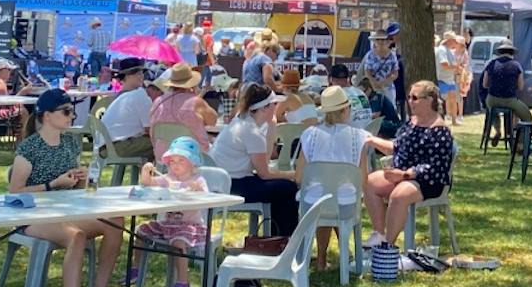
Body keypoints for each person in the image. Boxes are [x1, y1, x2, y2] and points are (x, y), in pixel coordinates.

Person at [7, 87, 119, 287]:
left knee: (115, 221)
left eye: (72, 112)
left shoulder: (69, 142)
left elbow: (74, 187)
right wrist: (52, 184)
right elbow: (15, 192)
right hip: (32, 217)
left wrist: (80, 178)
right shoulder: (29, 148)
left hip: (65, 212)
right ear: (47, 115)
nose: (72, 116)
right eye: (66, 111)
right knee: (75, 236)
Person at [364, 80, 454, 271]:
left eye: (415, 98)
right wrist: (371, 140)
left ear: (429, 100)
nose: (410, 101)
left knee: (399, 195)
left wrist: (404, 175)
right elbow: (397, 147)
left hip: (428, 181)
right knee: (370, 182)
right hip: (401, 173)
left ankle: (387, 247)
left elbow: (434, 167)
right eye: (409, 97)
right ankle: (379, 234)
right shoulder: (411, 122)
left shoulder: (440, 130)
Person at [296, 83, 381, 267]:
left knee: (323, 196)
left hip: (313, 203)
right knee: (339, 196)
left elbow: (299, 176)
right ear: (346, 110)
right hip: (346, 204)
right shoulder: (360, 137)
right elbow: (363, 179)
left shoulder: (309, 135)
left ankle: (321, 257)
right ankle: (344, 253)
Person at [209, 82, 300, 235]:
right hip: (232, 184)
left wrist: (272, 127)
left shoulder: (242, 121)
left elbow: (265, 161)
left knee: (281, 187)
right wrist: (294, 175)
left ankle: (276, 237)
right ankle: (283, 239)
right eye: (274, 104)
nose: (277, 107)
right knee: (287, 189)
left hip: (225, 181)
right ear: (265, 108)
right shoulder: (251, 132)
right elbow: (265, 174)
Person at [135, 136, 209, 287]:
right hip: (167, 225)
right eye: (172, 161)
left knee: (178, 241)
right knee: (141, 230)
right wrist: (146, 172)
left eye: (181, 160)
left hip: (190, 226)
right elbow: (147, 184)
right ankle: (136, 268)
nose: (176, 165)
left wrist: (197, 191)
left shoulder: (197, 181)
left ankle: (182, 281)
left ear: (192, 163)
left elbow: (206, 197)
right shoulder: (168, 179)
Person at [97, 58, 159, 164]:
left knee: (154, 142)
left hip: (105, 147)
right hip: (118, 147)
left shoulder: (121, 97)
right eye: (136, 73)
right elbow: (150, 130)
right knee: (164, 142)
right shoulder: (140, 94)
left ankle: (146, 172)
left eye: (141, 73)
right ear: (126, 76)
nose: (141, 76)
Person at [150, 60, 218, 151]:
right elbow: (212, 121)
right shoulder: (196, 102)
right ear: (192, 84)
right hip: (193, 155)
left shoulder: (158, 102)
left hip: (164, 155)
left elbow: (153, 134)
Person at [479, 41, 532, 120]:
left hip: (492, 99)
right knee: (527, 116)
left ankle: (496, 126)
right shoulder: (516, 65)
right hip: (510, 100)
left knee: (491, 110)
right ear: (512, 52)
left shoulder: (491, 64)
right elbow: (521, 87)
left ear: (499, 52)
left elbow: (484, 84)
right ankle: (514, 127)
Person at [362, 23, 402, 110]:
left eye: (383, 39)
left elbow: (395, 72)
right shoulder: (370, 55)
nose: (380, 42)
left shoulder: (392, 55)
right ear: (375, 41)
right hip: (373, 88)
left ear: (387, 41)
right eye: (378, 39)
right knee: (373, 110)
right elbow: (367, 71)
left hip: (388, 88)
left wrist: (385, 82)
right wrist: (374, 83)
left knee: (390, 109)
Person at [435, 29, 467, 121]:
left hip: (449, 79)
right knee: (441, 101)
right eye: (454, 40)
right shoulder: (442, 50)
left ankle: (454, 120)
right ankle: (440, 119)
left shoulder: (448, 50)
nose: (456, 43)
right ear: (450, 41)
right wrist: (455, 67)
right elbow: (444, 64)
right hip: (442, 79)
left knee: (453, 99)